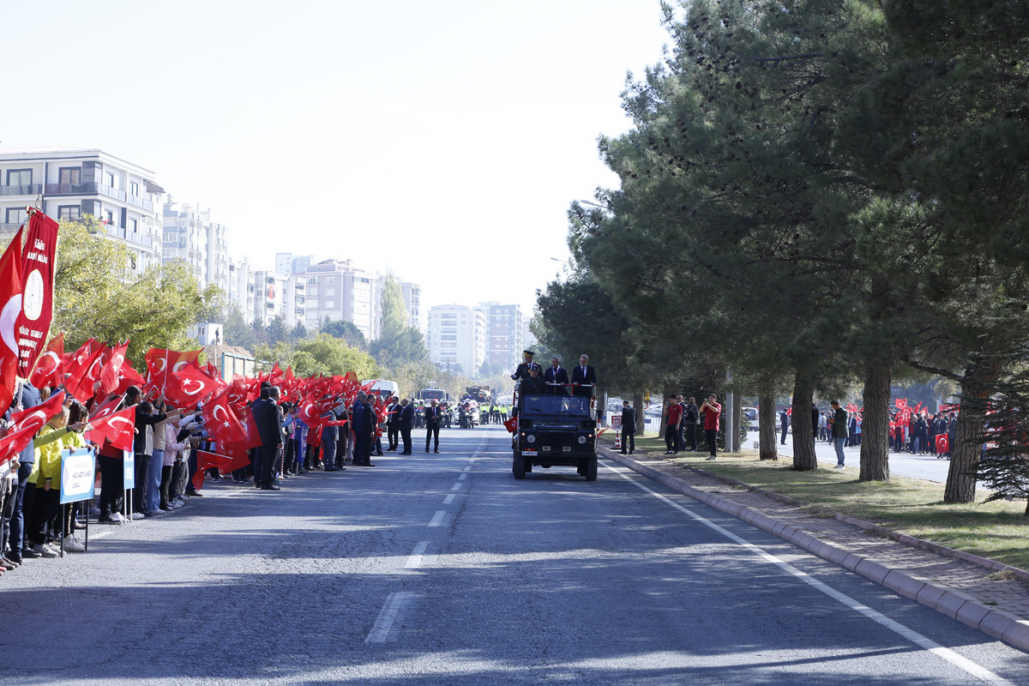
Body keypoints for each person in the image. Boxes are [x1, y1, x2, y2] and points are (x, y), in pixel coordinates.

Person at [252, 386, 283, 490]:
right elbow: (276, 425)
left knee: (265, 461)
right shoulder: (273, 406)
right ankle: (268, 482)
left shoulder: (261, 405)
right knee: (271, 462)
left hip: (262, 437)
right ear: (278, 394)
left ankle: (264, 482)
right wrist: (280, 440)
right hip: (272, 439)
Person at [701, 394, 721, 460]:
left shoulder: (718, 405)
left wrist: (709, 405)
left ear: (715, 399)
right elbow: (700, 411)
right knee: (709, 441)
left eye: (712, 398)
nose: (710, 400)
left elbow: (716, 410)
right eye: (709, 398)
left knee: (713, 440)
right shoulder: (708, 406)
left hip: (714, 425)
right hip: (707, 425)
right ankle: (711, 455)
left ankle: (714, 455)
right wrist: (703, 405)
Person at [830, 400, 849, 468]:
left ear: (838, 405)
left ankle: (842, 464)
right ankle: (839, 463)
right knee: (836, 449)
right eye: (832, 406)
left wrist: (834, 421)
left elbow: (844, 422)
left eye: (834, 406)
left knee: (840, 449)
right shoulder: (836, 412)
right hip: (835, 433)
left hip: (841, 433)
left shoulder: (844, 412)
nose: (833, 407)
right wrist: (831, 421)